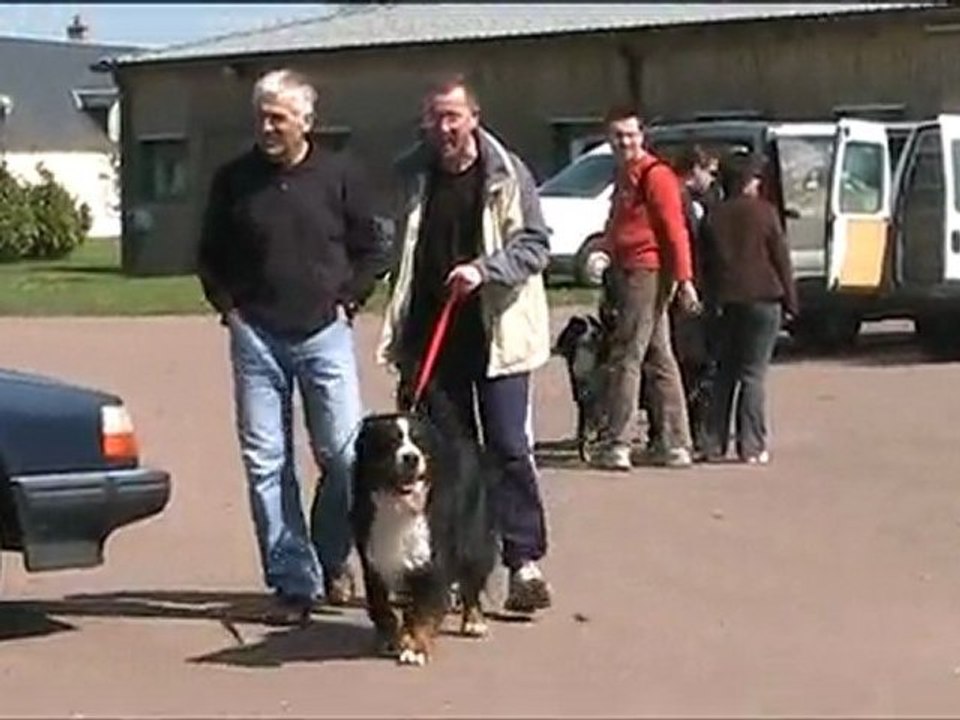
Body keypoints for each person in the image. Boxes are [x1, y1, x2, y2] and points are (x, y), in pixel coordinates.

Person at [197, 69, 382, 622]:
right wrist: (228, 309)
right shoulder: (233, 180)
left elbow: (372, 247)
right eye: (261, 115)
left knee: (346, 455)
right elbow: (209, 254)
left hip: (324, 333)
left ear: (306, 120)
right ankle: (292, 581)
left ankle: (331, 558)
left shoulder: (340, 174)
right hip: (257, 336)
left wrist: (349, 300)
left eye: (278, 116)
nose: (267, 126)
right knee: (266, 463)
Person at [377, 74, 553, 613]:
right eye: (436, 117)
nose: (444, 127)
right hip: (432, 335)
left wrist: (484, 270)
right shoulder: (412, 175)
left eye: (454, 116)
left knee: (507, 448)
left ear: (474, 117)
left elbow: (536, 245)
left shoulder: (506, 173)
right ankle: (452, 565)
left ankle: (523, 562)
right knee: (447, 458)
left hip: (496, 334)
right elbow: (393, 245)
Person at [588, 105, 700, 472]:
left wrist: (684, 280)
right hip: (626, 268)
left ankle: (617, 442)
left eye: (631, 134)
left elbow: (674, 229)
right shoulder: (624, 175)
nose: (624, 141)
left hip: (646, 271)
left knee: (627, 355)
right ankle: (674, 443)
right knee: (658, 356)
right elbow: (617, 224)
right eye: (617, 135)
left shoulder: (656, 175)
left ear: (643, 136)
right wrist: (605, 250)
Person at [701, 152, 799, 464]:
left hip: (726, 301)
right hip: (764, 299)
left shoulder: (712, 216)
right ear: (747, 182)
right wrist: (792, 301)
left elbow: (706, 265)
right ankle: (752, 445)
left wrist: (709, 302)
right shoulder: (765, 213)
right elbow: (781, 259)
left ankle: (713, 442)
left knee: (725, 373)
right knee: (753, 374)